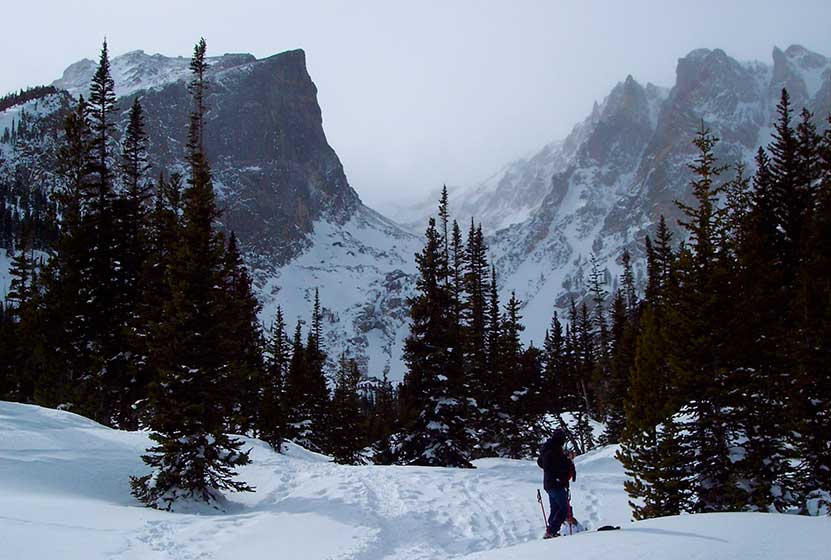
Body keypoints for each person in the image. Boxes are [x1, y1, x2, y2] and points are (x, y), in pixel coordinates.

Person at [537, 429, 576, 538]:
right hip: (556, 483)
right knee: (564, 509)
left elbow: (541, 462)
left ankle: (551, 530)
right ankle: (551, 531)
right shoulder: (554, 450)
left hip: (549, 483)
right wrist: (568, 460)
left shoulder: (548, 448)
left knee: (555, 508)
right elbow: (559, 465)